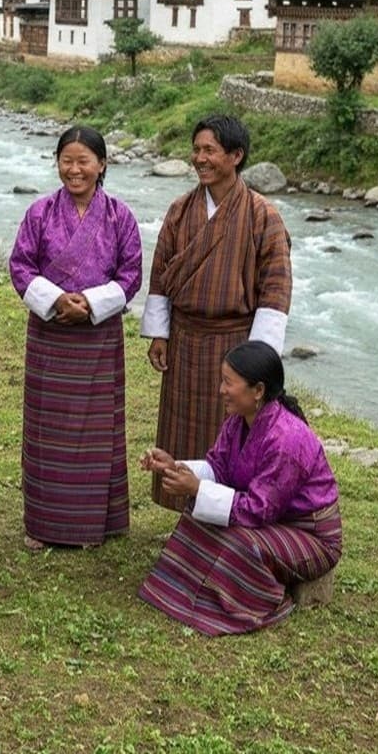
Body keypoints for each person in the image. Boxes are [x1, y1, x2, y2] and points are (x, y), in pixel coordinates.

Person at [140, 113, 291, 510]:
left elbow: (275, 289)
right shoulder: (179, 210)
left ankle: (228, 510)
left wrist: (259, 360)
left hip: (235, 344)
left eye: (210, 150)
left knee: (232, 432)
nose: (200, 158)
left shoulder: (264, 216)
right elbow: (161, 272)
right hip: (187, 339)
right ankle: (184, 510)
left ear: (236, 156)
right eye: (196, 150)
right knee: (183, 427)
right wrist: (160, 332)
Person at [138, 341, 341, 636]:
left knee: (239, 543)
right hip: (271, 519)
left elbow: (259, 511)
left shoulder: (288, 439)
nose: (221, 390)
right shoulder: (238, 422)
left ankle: (258, 601)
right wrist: (175, 467)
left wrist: (197, 489)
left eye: (228, 383)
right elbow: (218, 469)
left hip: (309, 535)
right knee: (198, 516)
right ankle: (192, 592)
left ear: (257, 391)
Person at [8, 126, 143, 550]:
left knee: (95, 428)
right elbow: (21, 266)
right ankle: (45, 525)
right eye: (67, 160)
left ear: (102, 165)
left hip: (98, 336)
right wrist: (56, 300)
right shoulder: (40, 213)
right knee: (48, 429)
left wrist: (88, 301)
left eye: (84, 161)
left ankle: (92, 525)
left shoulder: (121, 217)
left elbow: (132, 274)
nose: (75, 169)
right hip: (51, 334)